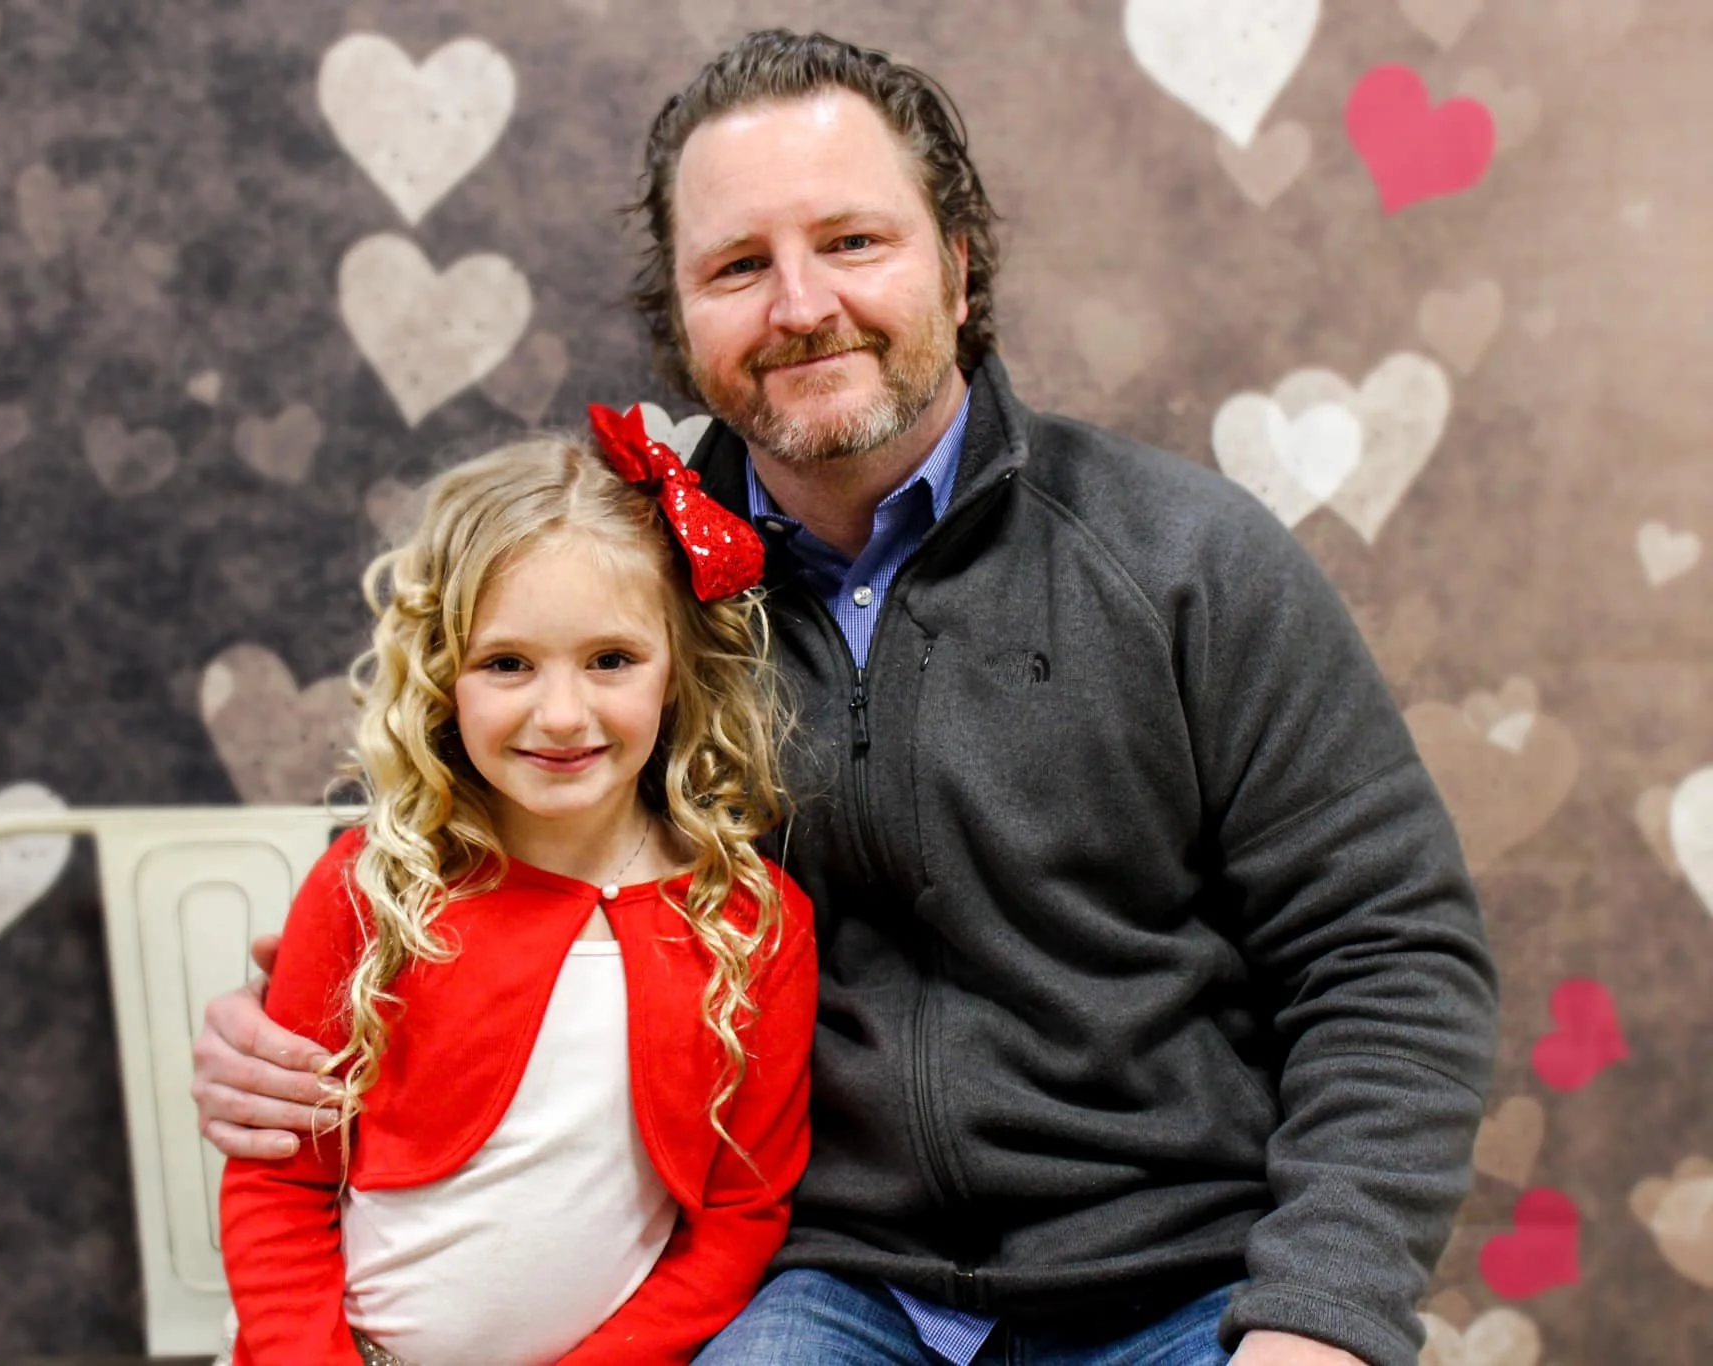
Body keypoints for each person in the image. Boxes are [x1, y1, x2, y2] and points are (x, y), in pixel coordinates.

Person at [194, 30, 1497, 1366]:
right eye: (737, 266)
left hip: (1177, 1279)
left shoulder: (1184, 561)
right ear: (678, 315)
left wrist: (1320, 1313)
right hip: (822, 1282)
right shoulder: (623, 591)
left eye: (852, 242)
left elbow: (1388, 955)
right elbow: (471, 862)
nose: (800, 304)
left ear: (958, 264)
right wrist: (285, 1037)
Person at [214, 422, 817, 1365]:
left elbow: (741, 1219)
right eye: (507, 664)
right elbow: (279, 1188)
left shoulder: (754, 924)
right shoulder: (372, 889)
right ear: (443, 677)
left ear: (678, 666)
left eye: (611, 660)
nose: (563, 715)